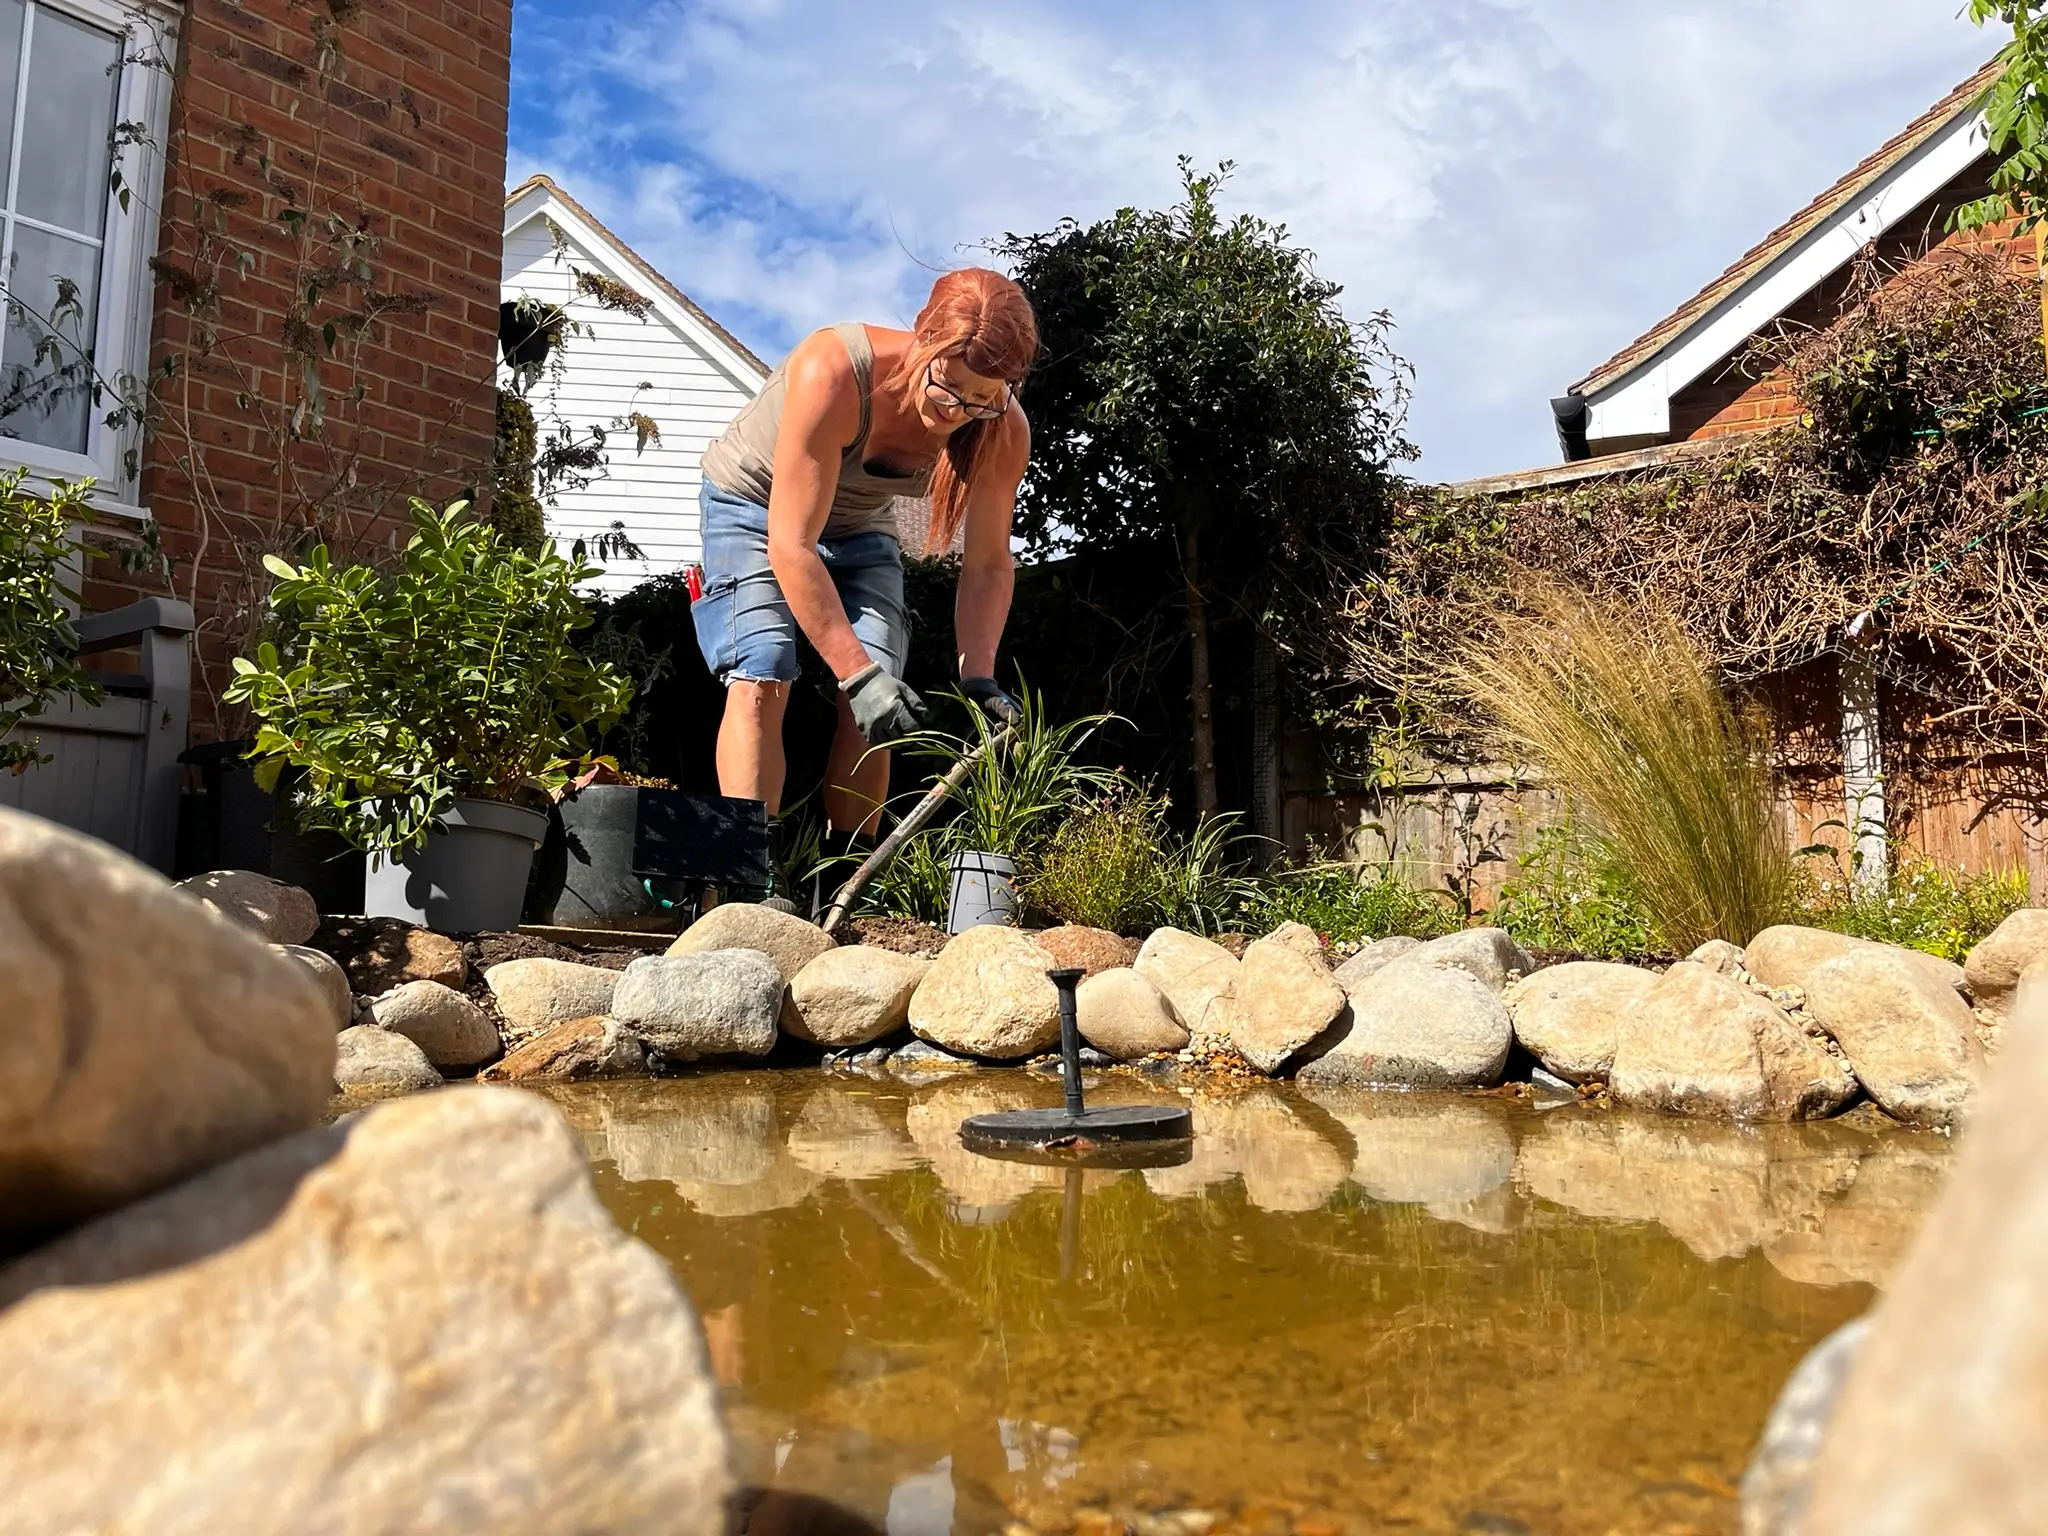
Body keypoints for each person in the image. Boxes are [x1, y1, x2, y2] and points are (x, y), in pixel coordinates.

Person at [692, 267, 1037, 837]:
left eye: (981, 400)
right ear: (923, 335)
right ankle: (747, 871)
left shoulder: (1003, 429)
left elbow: (988, 563)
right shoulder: (835, 370)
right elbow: (791, 544)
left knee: (880, 702)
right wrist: (856, 676)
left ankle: (849, 874)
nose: (957, 411)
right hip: (753, 504)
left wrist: (979, 677)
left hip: (859, 525)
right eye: (948, 387)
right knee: (763, 673)